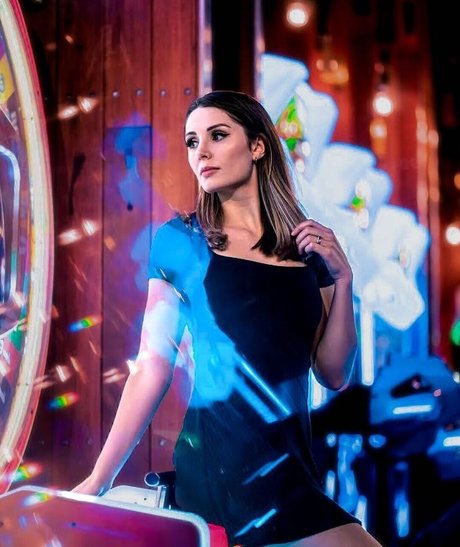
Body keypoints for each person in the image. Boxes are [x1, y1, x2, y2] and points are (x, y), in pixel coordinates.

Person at [74, 90, 381, 547]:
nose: (201, 152)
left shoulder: (307, 250)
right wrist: (99, 478)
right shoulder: (183, 241)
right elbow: (152, 367)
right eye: (191, 141)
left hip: (292, 472)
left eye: (217, 136)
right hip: (220, 471)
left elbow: (334, 373)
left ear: (257, 146)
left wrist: (345, 279)